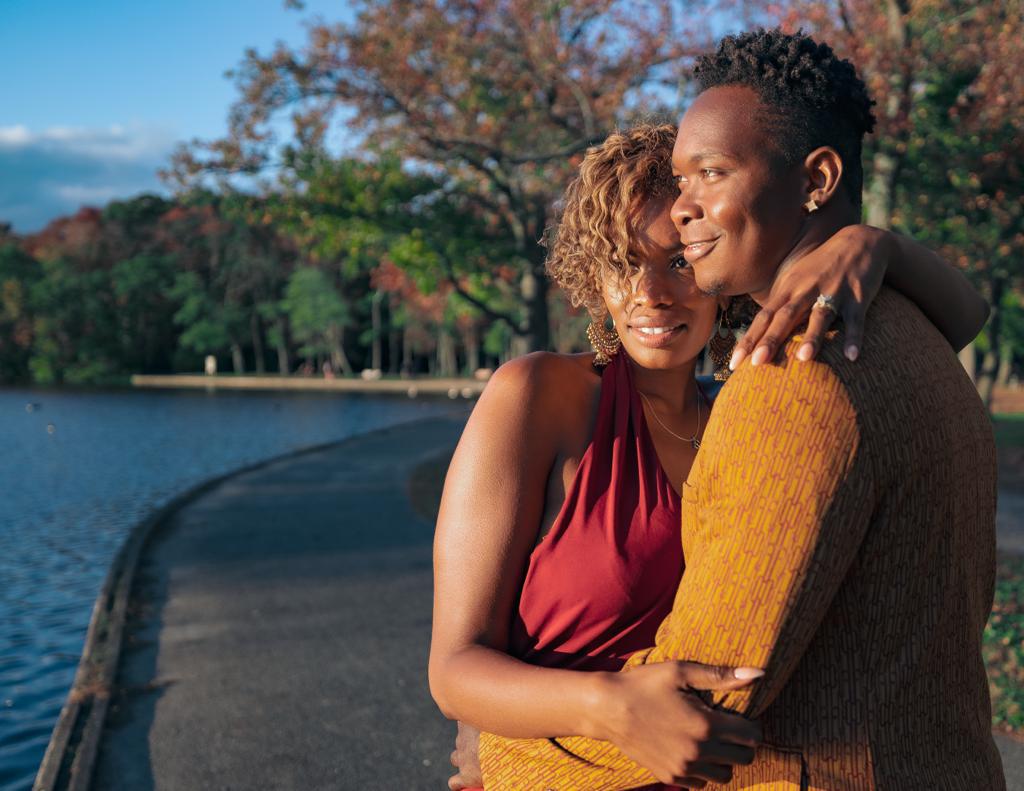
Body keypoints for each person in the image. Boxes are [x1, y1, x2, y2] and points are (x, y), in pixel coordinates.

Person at [447, 30, 1004, 790]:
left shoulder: (789, 379)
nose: (654, 284)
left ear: (816, 179)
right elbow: (458, 661)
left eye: (709, 175)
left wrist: (500, 753)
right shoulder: (914, 339)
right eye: (624, 261)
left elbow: (717, 687)